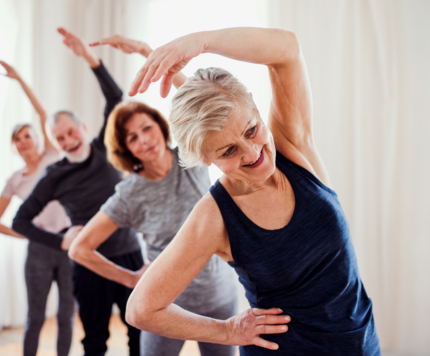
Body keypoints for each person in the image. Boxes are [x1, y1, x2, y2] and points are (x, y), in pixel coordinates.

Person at [125, 27, 381, 355]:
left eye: (251, 129)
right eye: (228, 152)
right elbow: (141, 309)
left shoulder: (293, 145)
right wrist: (227, 330)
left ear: (258, 112)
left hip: (362, 343)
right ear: (207, 159)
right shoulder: (214, 216)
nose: (252, 154)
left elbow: (287, 49)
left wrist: (202, 42)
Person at [69, 35, 239, 356]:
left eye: (146, 128)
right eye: (133, 137)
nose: (144, 140)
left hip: (219, 298)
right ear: (126, 149)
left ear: (160, 127)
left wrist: (150, 53)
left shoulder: (190, 156)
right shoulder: (129, 193)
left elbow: (199, 102)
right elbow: (80, 249)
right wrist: (131, 279)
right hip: (164, 308)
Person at [12, 28, 143, 356]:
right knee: (94, 338)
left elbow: (115, 98)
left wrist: (89, 57)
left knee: (140, 331)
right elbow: (20, 220)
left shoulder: (103, 149)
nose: (68, 141)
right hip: (88, 262)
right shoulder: (55, 176)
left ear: (83, 128)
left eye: (71, 132)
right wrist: (61, 241)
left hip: (128, 253)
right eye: (60, 138)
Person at [0, 60, 74, 356]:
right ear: (14, 146)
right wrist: (26, 236)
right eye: (18, 139)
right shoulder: (15, 180)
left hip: (67, 244)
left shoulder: (53, 157)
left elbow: (42, 114)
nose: (24, 142)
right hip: (38, 251)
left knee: (66, 316)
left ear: (38, 139)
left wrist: (19, 79)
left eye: (28, 135)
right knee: (35, 316)